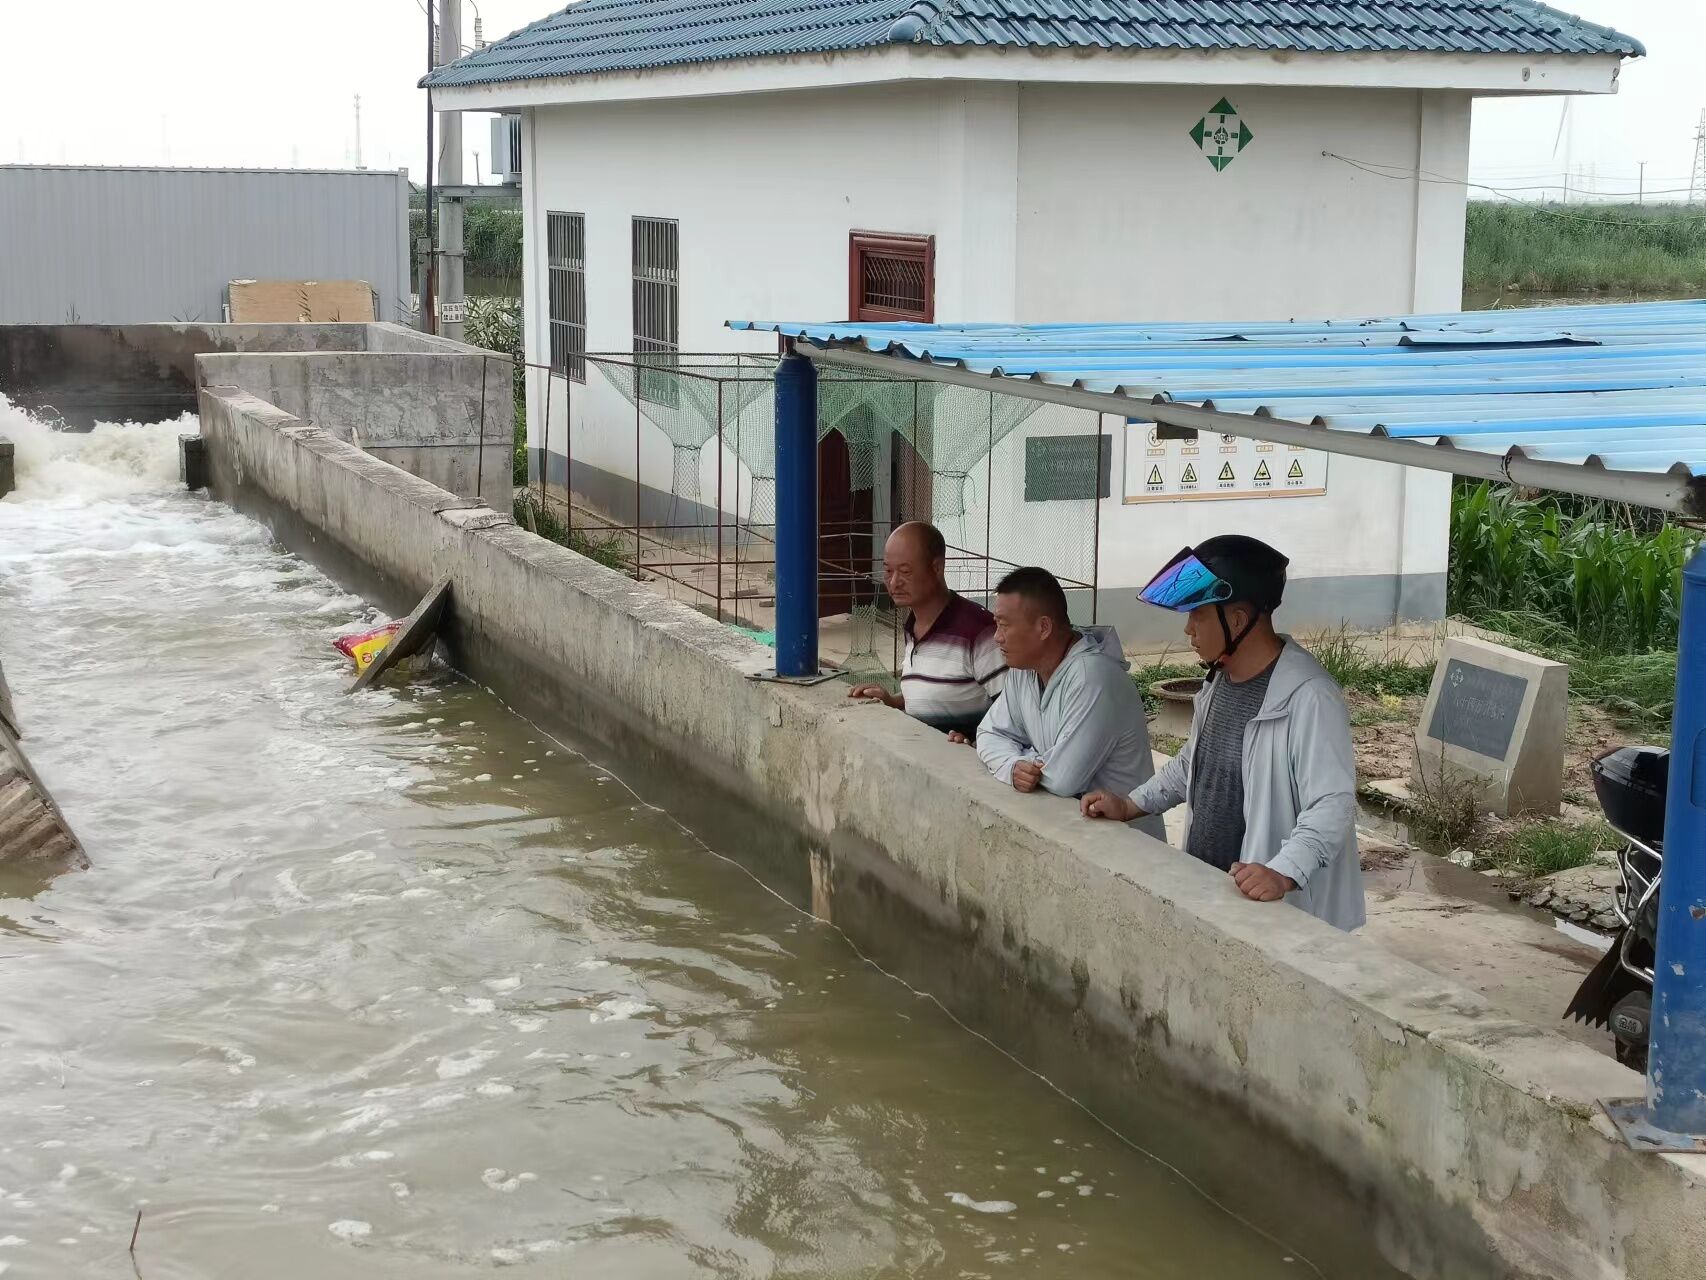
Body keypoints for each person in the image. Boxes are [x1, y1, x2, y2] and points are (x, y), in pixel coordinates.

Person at [1080, 536, 1365, 931]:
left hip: (1277, 910)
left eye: (1198, 614)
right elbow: (1194, 763)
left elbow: (1332, 804)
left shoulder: (1309, 696)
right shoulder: (1219, 680)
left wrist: (1283, 872)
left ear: (1237, 620)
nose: (1188, 629)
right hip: (1215, 893)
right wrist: (1130, 805)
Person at [974, 567, 1166, 842]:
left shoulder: (1093, 677)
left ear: (1043, 627)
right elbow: (989, 733)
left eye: (1004, 625)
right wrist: (1013, 765)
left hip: (1126, 848)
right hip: (1074, 839)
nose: (997, 637)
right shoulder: (1022, 670)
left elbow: (1062, 779)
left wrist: (1022, 755)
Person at [847, 521, 1005, 736]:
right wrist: (893, 701)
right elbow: (935, 696)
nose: (893, 583)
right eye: (888, 571)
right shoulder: (912, 626)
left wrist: (975, 741)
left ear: (937, 567)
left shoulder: (979, 632)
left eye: (905, 571)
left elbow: (1012, 710)